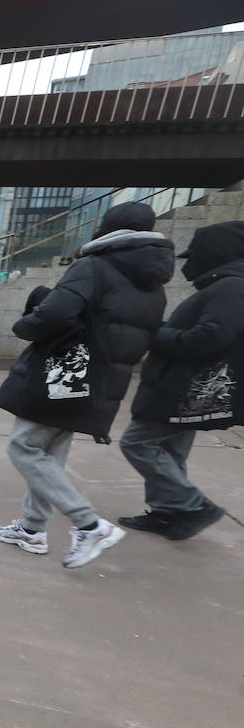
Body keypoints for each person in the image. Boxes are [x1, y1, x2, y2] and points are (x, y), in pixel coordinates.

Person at [0, 203, 174, 569]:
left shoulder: (95, 266)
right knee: (51, 449)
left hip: (68, 371)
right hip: (102, 380)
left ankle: (89, 524)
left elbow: (55, 313)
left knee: (24, 446)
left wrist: (25, 325)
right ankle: (32, 529)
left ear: (108, 230)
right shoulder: (153, 284)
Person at [117, 221, 244, 540]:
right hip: (187, 388)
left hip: (183, 387)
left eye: (194, 256)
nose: (188, 264)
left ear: (216, 253)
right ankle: (169, 513)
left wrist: (155, 333)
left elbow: (209, 336)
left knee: (137, 443)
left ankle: (191, 504)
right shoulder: (226, 286)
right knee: (170, 451)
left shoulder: (230, 287)